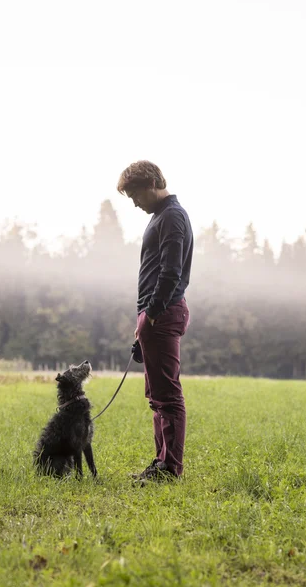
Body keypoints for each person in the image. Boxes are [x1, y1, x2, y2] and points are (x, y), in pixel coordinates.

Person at [117, 160, 193, 483]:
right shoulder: (162, 217)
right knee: (156, 396)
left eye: (135, 195)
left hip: (161, 314)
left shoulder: (173, 217)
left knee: (168, 395)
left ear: (150, 184)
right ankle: (161, 462)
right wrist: (142, 324)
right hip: (152, 316)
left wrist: (151, 314)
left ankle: (170, 468)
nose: (134, 203)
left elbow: (171, 273)